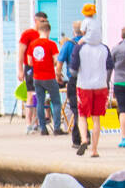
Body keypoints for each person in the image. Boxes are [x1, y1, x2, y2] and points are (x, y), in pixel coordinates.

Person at [72, 21, 113, 158]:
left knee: (82, 115)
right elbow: (109, 67)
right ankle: (94, 150)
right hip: (101, 86)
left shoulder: (80, 48)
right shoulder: (104, 48)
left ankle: (84, 139)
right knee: (96, 119)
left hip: (84, 85)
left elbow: (73, 69)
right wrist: (105, 82)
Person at [26, 21, 63, 137]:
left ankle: (43, 128)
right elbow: (57, 60)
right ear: (48, 31)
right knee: (56, 101)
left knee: (40, 102)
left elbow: (29, 62)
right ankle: (56, 128)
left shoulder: (32, 44)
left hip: (37, 77)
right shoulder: (51, 44)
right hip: (49, 76)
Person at [17, 11, 48, 133]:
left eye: (45, 22)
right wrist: (20, 70)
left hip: (43, 68)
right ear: (36, 20)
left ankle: (39, 121)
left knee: (41, 95)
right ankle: (29, 122)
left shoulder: (44, 35)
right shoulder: (28, 34)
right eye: (41, 21)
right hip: (30, 67)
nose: (43, 24)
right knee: (31, 95)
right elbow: (21, 52)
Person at [56, 20, 84, 148]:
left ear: (73, 31)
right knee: (87, 109)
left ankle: (78, 138)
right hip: (89, 80)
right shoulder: (89, 44)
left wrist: (58, 75)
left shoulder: (68, 45)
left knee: (75, 108)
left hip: (73, 79)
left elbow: (59, 63)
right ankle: (87, 135)